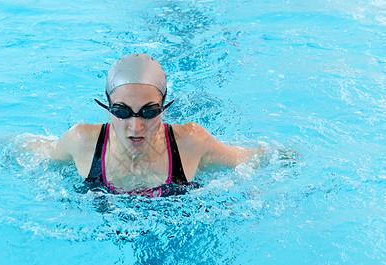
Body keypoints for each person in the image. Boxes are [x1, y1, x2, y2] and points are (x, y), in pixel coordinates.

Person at [27, 53, 265, 197]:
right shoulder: (82, 142)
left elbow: (251, 160)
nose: (136, 126)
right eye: (121, 111)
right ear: (108, 106)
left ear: (163, 106)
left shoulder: (190, 142)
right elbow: (31, 152)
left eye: (149, 112)